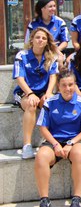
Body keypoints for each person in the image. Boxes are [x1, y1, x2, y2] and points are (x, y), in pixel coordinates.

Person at [34, 69, 81, 207]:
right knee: (41, 157)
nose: (68, 88)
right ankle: (44, 199)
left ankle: (76, 198)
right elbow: (43, 128)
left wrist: (71, 143)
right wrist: (55, 145)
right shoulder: (50, 103)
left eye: (71, 84)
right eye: (64, 85)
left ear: (75, 85)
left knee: (79, 154)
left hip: (75, 140)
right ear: (58, 87)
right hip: (54, 141)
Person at [13, 27, 58, 159]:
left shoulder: (51, 57)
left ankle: (51, 142)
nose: (40, 40)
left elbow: (53, 77)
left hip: (42, 92)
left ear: (47, 42)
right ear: (32, 39)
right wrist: (30, 94)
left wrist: (49, 92)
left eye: (44, 38)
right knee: (31, 104)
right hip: (24, 92)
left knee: (49, 103)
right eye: (38, 37)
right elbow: (19, 78)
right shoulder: (22, 55)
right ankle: (27, 145)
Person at [25, 0, 69, 64]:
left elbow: (65, 42)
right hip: (37, 54)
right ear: (42, 8)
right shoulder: (33, 24)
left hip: (55, 53)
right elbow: (27, 43)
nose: (53, 9)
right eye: (50, 6)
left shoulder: (60, 22)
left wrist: (55, 51)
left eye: (54, 6)